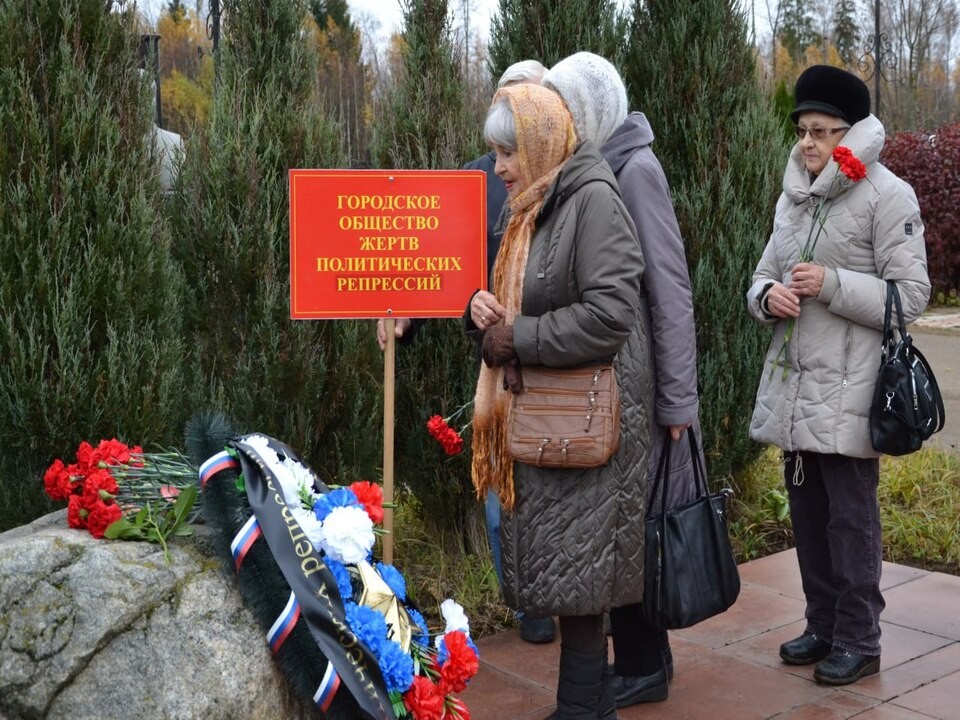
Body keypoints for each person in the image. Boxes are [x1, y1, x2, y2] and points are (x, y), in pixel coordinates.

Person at [468, 82, 654, 719]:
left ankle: (578, 709)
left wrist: (515, 335)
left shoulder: (593, 200)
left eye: (506, 153)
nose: (499, 168)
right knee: (574, 569)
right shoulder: (534, 204)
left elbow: (610, 316)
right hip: (555, 413)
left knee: (583, 571)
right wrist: (482, 313)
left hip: (590, 418)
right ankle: (589, 704)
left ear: (542, 144)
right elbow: (521, 294)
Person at [746, 65, 930, 686]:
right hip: (795, 387)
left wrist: (831, 285)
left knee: (851, 519)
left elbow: (911, 297)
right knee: (808, 515)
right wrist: (766, 296)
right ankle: (822, 623)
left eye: (822, 131)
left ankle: (859, 637)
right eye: (803, 130)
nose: (808, 143)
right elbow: (761, 274)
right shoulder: (792, 194)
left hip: (852, 391)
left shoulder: (888, 194)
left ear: (853, 135)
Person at [376, 61, 557, 645]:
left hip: (559, 362)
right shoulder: (475, 182)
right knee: (502, 499)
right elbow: (443, 270)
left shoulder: (569, 180)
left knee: (556, 490)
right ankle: (529, 604)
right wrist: (413, 308)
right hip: (501, 371)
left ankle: (571, 602)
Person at [542, 52, 701, 709]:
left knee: (638, 532)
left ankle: (645, 665)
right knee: (622, 531)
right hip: (611, 391)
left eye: (562, 108)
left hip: (644, 394)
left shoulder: (633, 170)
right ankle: (644, 661)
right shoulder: (591, 169)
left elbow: (670, 291)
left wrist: (677, 400)